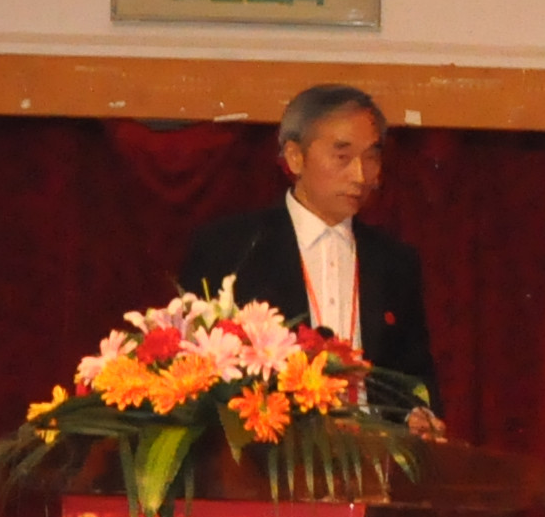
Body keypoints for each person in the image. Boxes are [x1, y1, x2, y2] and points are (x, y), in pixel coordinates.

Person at [182, 83, 438, 414]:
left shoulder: (395, 262)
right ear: (295, 157)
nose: (361, 175)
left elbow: (416, 380)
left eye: (371, 157)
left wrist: (420, 415)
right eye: (342, 157)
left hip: (371, 441)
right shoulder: (234, 248)